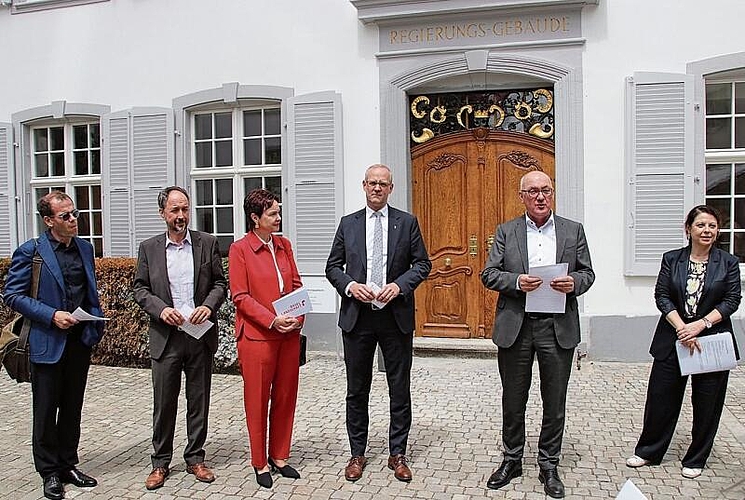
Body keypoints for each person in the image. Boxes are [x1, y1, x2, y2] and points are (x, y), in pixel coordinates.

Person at [480, 170, 595, 499]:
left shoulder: (573, 230)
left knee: (554, 401)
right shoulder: (507, 230)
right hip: (517, 324)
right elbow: (489, 273)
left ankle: (548, 464)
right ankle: (512, 459)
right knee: (513, 399)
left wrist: (575, 283)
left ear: (552, 193)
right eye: (533, 192)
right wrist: (516, 282)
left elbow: (588, 273)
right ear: (522, 197)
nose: (540, 197)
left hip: (557, 326)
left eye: (546, 190)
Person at [325, 164, 431, 483]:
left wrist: (399, 285)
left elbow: (422, 263)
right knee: (357, 389)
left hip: (394, 315)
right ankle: (357, 453)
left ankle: (397, 453)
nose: (376, 188)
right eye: (372, 183)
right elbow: (333, 266)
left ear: (390, 188)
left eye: (382, 184)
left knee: (399, 389)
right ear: (364, 185)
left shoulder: (407, 222)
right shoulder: (349, 224)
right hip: (358, 318)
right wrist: (348, 286)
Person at [626, 205, 741, 479]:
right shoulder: (672, 259)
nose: (707, 231)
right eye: (701, 225)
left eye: (712, 226)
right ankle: (648, 452)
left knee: (707, 403)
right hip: (673, 339)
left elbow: (731, 300)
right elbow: (662, 295)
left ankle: (697, 458)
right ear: (688, 228)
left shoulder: (728, 263)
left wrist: (700, 325)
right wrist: (682, 328)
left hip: (710, 340)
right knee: (661, 399)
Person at [3, 191, 105, 500]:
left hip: (79, 342)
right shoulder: (31, 251)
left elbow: (90, 292)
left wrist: (95, 324)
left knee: (72, 408)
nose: (74, 220)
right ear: (49, 221)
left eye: (75, 214)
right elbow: (13, 295)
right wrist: (51, 316)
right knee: (46, 410)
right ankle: (48, 472)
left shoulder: (85, 248)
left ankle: (68, 463)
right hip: (47, 342)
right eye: (66, 216)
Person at [133, 186, 227, 490]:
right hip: (166, 337)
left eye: (185, 209)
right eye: (174, 210)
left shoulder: (206, 243)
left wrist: (207, 306)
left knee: (198, 401)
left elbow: (219, 283)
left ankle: (195, 458)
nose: (181, 216)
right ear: (163, 213)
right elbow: (140, 290)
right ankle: (160, 463)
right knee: (164, 404)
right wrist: (161, 311)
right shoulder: (148, 248)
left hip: (198, 336)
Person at [228, 188, 305, 489]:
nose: (278, 218)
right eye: (272, 213)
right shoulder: (240, 249)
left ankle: (280, 456)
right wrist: (272, 320)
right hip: (258, 337)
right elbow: (240, 296)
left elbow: (297, 286)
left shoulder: (284, 245)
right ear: (255, 218)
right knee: (258, 400)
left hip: (288, 335)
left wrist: (297, 319)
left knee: (286, 396)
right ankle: (260, 461)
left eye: (278, 211)